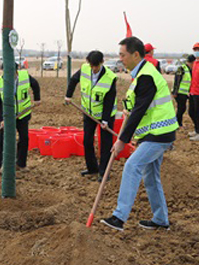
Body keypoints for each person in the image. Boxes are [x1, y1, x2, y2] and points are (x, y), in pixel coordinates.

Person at [100, 36, 178, 232]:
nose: (121, 59)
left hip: (159, 134)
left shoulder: (146, 77)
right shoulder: (142, 74)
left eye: (123, 55)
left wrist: (121, 141)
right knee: (150, 177)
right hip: (154, 133)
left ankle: (119, 217)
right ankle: (161, 219)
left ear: (136, 54)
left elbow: (139, 111)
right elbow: (136, 108)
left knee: (132, 166)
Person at [65, 50, 117, 182]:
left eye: (96, 66)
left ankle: (104, 172)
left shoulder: (110, 77)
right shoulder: (85, 69)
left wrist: (105, 120)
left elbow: (109, 100)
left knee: (105, 144)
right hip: (88, 113)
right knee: (87, 141)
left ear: (101, 63)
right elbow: (73, 80)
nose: (94, 69)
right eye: (92, 65)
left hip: (105, 115)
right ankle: (92, 168)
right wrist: (68, 95)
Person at [0, 63, 41, 176]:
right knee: (1, 139)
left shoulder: (24, 76)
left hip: (22, 114)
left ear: (16, 71)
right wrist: (2, 118)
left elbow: (35, 84)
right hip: (6, 116)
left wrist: (37, 98)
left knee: (24, 138)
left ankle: (21, 164)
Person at [172, 55, 195, 128]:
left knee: (182, 108)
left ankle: (178, 123)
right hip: (179, 93)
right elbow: (177, 80)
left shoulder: (189, 70)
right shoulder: (182, 68)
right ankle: (178, 123)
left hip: (185, 93)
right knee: (181, 108)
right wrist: (175, 92)